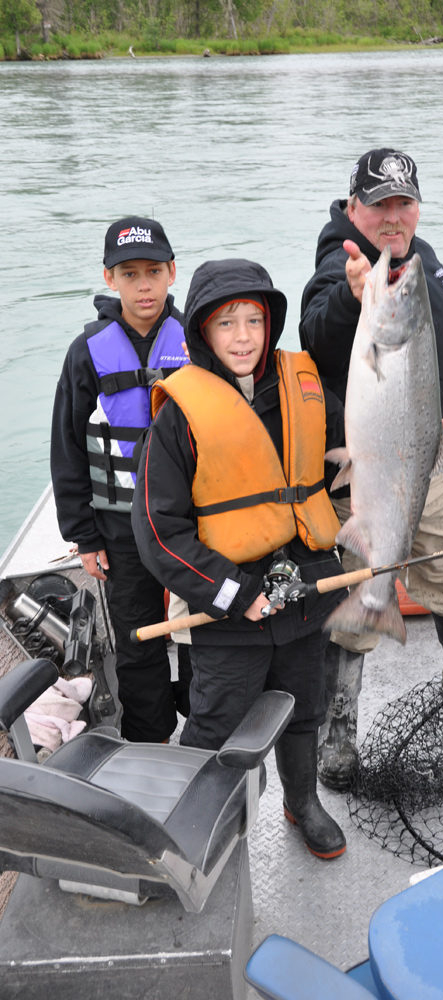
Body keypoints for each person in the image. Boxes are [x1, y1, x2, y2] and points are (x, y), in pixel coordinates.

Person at [299, 148, 443, 792]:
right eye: (380, 205)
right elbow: (315, 330)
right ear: (354, 210)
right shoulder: (340, 268)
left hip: (430, 453)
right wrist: (352, 301)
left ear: (417, 207)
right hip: (369, 469)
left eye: (404, 203)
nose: (393, 217)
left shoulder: (422, 261)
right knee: (362, 582)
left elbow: (435, 357)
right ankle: (338, 728)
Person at [131, 258, 347, 860]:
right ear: (203, 332)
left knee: (306, 710)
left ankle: (300, 802)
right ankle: (199, 822)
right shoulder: (179, 417)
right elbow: (156, 527)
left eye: (255, 320)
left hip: (305, 593)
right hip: (228, 611)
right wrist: (232, 593)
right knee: (214, 722)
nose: (244, 336)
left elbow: (347, 451)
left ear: (271, 323)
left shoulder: (304, 389)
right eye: (228, 324)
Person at [51, 216, 192, 744]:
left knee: (203, 630)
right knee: (138, 640)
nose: (144, 284)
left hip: (189, 520)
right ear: (110, 279)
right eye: (129, 273)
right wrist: (83, 536)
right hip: (119, 527)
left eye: (154, 271)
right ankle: (149, 741)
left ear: (172, 272)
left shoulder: (197, 337)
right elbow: (66, 447)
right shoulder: (86, 351)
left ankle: (205, 727)